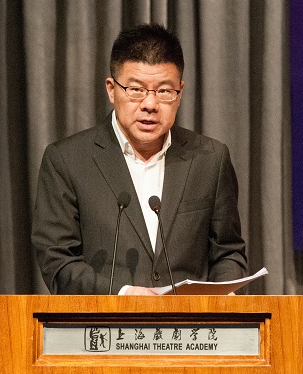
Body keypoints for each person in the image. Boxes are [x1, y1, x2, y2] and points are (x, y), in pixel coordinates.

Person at [31, 23, 247, 295]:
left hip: (190, 321)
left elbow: (228, 252)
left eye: (164, 91)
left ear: (180, 93)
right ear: (111, 89)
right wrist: (123, 295)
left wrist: (222, 298)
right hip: (103, 320)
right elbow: (58, 262)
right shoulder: (67, 161)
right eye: (136, 89)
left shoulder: (210, 159)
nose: (150, 104)